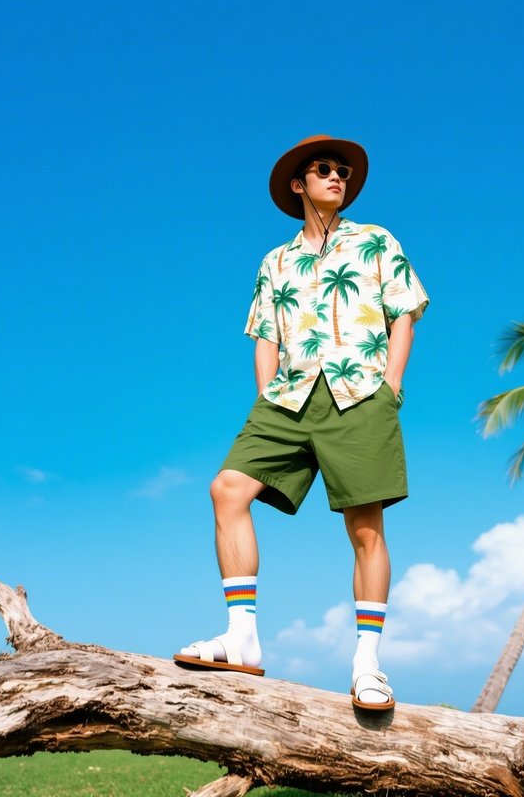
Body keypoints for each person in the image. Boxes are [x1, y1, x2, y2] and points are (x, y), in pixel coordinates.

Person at [174, 134, 429, 710]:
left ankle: (368, 664)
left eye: (343, 170)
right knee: (228, 489)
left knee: (365, 528)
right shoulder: (276, 260)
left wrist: (389, 390)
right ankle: (241, 638)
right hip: (286, 400)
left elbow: (404, 315)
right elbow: (264, 333)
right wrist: (267, 394)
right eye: (324, 169)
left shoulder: (377, 241)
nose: (337, 176)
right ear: (299, 183)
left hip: (360, 394)